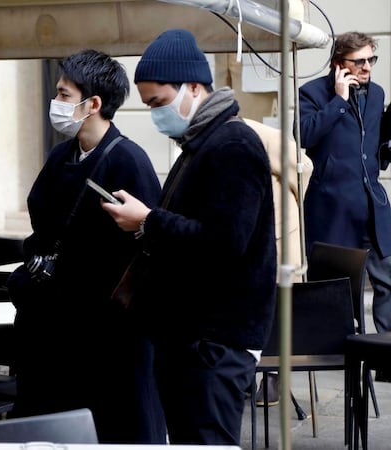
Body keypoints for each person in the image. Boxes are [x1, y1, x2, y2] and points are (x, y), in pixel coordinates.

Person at [101, 29, 276, 445]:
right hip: (193, 339)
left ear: (193, 87)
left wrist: (148, 220)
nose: (155, 114)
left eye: (158, 102)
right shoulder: (200, 144)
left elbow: (225, 242)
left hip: (214, 342)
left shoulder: (233, 143)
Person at [6, 49, 166, 443]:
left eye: (63, 94)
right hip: (53, 331)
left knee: (109, 430)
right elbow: (41, 227)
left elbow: (148, 250)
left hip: (107, 339)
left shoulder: (130, 160)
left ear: (92, 103)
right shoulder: (61, 155)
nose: (56, 103)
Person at [299, 32, 391, 382]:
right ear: (339, 63)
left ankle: (385, 359)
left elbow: (374, 144)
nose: (367, 67)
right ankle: (335, 360)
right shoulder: (311, 93)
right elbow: (304, 136)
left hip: (373, 206)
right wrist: (338, 101)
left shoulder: (378, 93)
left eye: (371, 60)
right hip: (333, 209)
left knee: (388, 282)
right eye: (359, 61)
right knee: (334, 295)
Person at [248, 118, 314, 406]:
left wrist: (293, 200)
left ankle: (274, 375)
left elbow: (303, 166)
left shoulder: (257, 134)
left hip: (279, 236)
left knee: (277, 309)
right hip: (251, 236)